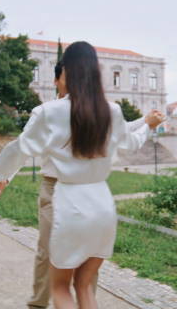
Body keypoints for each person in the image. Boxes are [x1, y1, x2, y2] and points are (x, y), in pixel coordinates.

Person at [0, 41, 164, 309]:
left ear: (66, 74)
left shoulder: (49, 113)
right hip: (101, 202)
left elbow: (19, 149)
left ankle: (37, 304)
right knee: (84, 286)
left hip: (64, 196)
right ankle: (39, 302)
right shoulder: (111, 110)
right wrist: (147, 125)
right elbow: (127, 140)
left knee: (58, 280)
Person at [25, 61, 147, 309]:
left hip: (86, 190)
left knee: (88, 255)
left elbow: (120, 132)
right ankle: (38, 303)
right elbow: (22, 147)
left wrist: (145, 121)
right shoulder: (47, 112)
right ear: (57, 80)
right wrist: (1, 177)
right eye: (69, 76)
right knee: (48, 251)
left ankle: (83, 300)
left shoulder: (96, 113)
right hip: (55, 188)